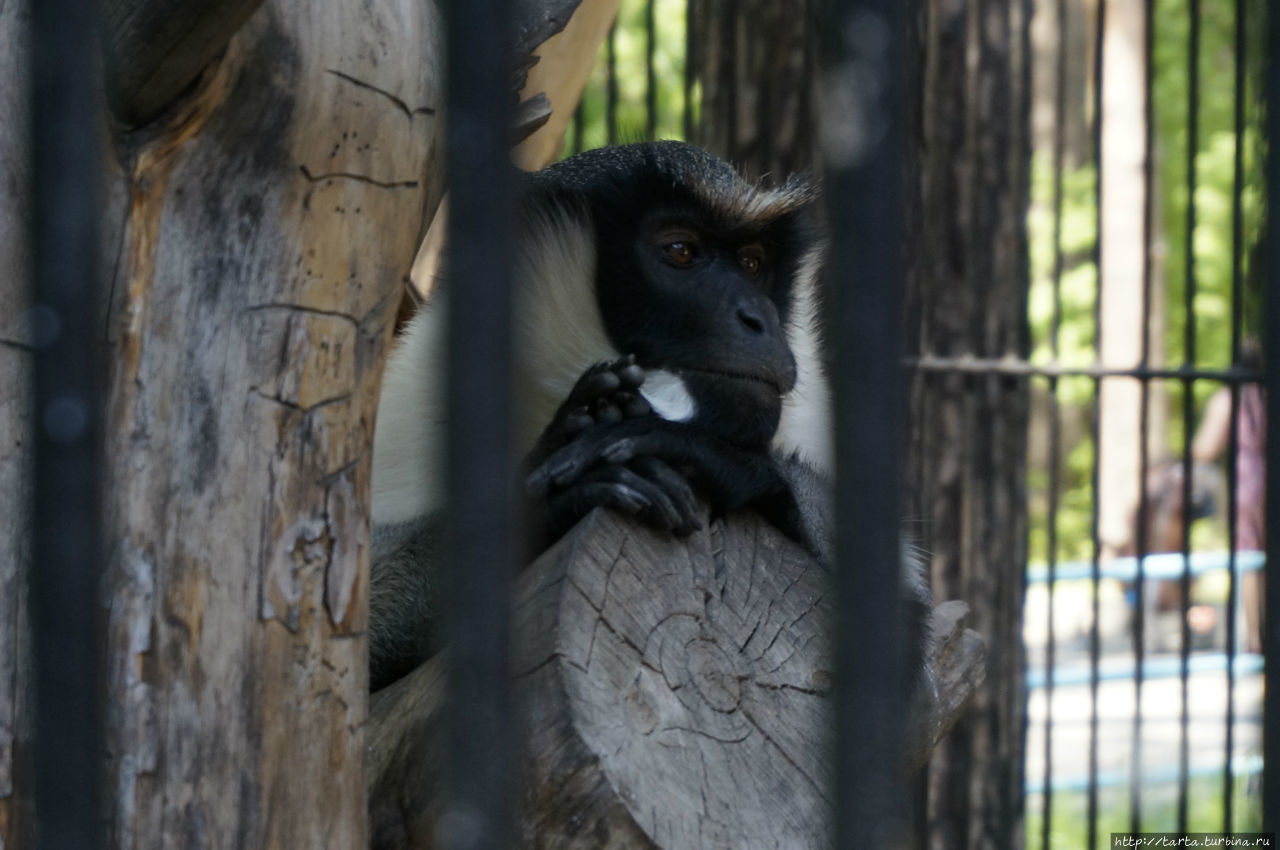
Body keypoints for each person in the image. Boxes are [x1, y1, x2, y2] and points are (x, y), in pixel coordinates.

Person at [1192, 342, 1266, 653]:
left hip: (1247, 481)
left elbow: (1205, 448)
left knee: (1251, 559)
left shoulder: (1229, 398)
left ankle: (1256, 638)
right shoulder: (1267, 393)